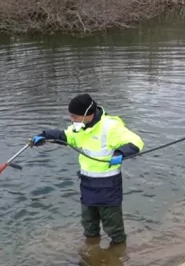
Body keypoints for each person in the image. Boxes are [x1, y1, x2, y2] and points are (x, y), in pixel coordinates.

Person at [31, 94, 144, 243]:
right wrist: (45, 136)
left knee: (113, 228)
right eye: (71, 115)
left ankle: (118, 257)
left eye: (75, 116)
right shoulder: (80, 128)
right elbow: (66, 136)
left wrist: (120, 153)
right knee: (89, 226)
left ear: (88, 114)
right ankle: (91, 252)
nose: (72, 119)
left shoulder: (109, 127)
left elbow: (136, 142)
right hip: (87, 184)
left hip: (108, 187)